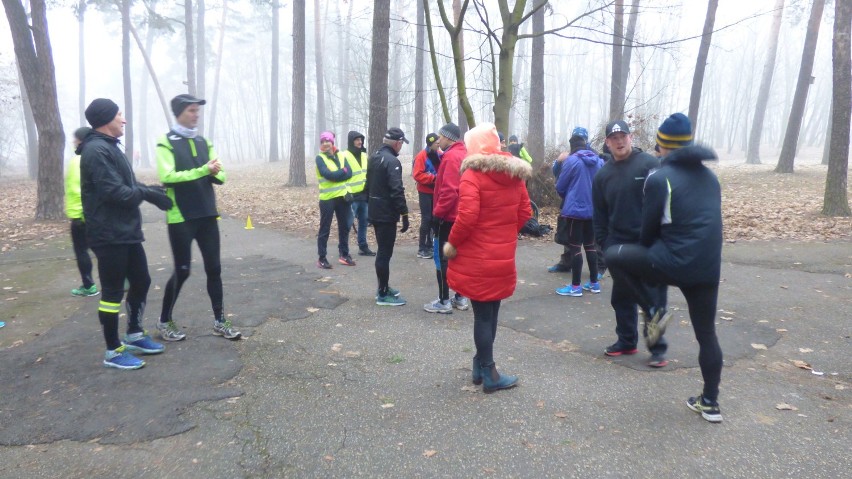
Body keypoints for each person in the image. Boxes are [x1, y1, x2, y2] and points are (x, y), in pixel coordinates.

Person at [604, 113, 724, 422]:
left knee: (614, 256)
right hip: (708, 268)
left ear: (663, 146)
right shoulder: (711, 179)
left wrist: (653, 255)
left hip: (671, 261)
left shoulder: (659, 178)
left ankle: (653, 312)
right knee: (707, 334)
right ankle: (710, 402)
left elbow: (647, 232)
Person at [79, 98, 172, 369]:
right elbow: (116, 193)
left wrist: (153, 191)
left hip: (126, 231)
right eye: (120, 114)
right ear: (107, 118)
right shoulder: (96, 151)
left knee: (141, 281)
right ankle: (113, 350)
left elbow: (128, 184)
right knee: (112, 293)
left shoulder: (110, 147)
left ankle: (133, 333)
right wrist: (147, 195)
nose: (124, 119)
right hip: (108, 234)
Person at [443, 122, 532, 393]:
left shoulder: (472, 174)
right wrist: (504, 233)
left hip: (478, 257)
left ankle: (489, 373)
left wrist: (453, 243)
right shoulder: (514, 174)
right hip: (502, 255)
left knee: (482, 315)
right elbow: (525, 213)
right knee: (491, 312)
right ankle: (479, 366)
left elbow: (467, 217)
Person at [154, 93, 241, 342]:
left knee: (214, 268)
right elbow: (167, 176)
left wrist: (214, 173)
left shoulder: (204, 141)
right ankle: (164, 320)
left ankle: (220, 321)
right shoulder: (166, 142)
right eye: (192, 111)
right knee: (183, 271)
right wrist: (204, 170)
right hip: (181, 216)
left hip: (206, 213)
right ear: (179, 112)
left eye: (197, 111)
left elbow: (221, 175)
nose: (196, 115)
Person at [592, 119, 669, 367]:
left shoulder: (649, 164)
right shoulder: (603, 175)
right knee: (622, 297)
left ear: (630, 137)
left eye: (623, 136)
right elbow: (599, 214)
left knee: (653, 298)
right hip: (618, 246)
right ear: (607, 142)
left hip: (648, 243)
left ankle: (658, 349)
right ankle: (626, 341)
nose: (619, 141)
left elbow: (666, 203)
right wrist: (604, 244)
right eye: (614, 138)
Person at [425, 123, 470, 314]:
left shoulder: (451, 157)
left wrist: (437, 214)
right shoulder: (463, 153)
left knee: (442, 258)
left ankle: (444, 300)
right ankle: (460, 297)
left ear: (449, 137)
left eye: (441, 137)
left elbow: (449, 190)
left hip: (448, 216)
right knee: (459, 257)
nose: (438, 140)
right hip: (460, 215)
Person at [555, 134, 604, 297]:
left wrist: (567, 197)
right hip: (593, 210)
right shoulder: (598, 161)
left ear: (572, 146)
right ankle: (594, 283)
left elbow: (561, 185)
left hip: (575, 211)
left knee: (575, 246)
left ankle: (575, 286)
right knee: (590, 245)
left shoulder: (572, 161)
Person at [367, 127, 410, 306]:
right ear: (397, 143)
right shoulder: (392, 161)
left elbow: (367, 184)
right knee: (385, 253)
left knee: (383, 252)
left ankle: (383, 286)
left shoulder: (375, 157)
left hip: (376, 211)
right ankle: (383, 293)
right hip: (385, 213)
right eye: (401, 143)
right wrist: (404, 213)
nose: (401, 147)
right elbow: (396, 190)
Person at [548, 126, 593, 274]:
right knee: (569, 235)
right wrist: (558, 161)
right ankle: (566, 263)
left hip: (585, 204)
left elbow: (560, 185)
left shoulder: (594, 157)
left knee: (590, 240)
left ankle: (597, 269)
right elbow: (558, 175)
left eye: (580, 138)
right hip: (572, 202)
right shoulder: (568, 157)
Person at [65, 126, 99, 297]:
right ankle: (122, 277)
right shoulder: (97, 155)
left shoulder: (77, 161)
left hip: (80, 215)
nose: (73, 142)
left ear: (81, 140)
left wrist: (78, 213)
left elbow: (75, 189)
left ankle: (88, 285)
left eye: (75, 139)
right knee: (102, 249)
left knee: (81, 251)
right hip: (96, 214)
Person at [315, 131, 354, 269]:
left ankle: (344, 254)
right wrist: (342, 172)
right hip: (327, 199)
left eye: (328, 141)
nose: (325, 144)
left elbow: (350, 172)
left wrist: (342, 173)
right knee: (325, 228)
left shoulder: (342, 155)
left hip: (342, 197)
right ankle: (322, 258)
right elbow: (328, 175)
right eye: (323, 141)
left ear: (332, 142)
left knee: (344, 227)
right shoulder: (320, 158)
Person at [341, 130, 375, 257]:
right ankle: (343, 250)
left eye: (361, 139)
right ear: (351, 141)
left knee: (363, 223)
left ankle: (363, 246)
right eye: (357, 139)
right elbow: (341, 176)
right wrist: (345, 192)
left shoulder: (363, 155)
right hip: (350, 196)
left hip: (363, 195)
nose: (360, 142)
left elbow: (366, 175)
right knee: (347, 225)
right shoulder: (344, 156)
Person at [412, 132, 441, 259]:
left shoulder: (440, 155)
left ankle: (430, 245)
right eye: (436, 143)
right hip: (425, 192)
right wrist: (433, 178)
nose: (438, 145)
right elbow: (417, 174)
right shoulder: (421, 156)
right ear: (431, 144)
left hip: (436, 192)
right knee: (426, 218)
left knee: (434, 219)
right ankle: (422, 248)